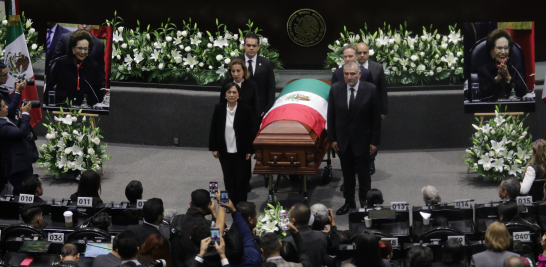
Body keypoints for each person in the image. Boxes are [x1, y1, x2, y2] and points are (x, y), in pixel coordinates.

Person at [327, 62, 381, 214]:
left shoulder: (371, 90)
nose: (349, 77)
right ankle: (349, 202)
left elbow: (376, 120)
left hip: (363, 142)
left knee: (364, 177)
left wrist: (374, 142)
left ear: (359, 74)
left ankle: (365, 205)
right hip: (343, 142)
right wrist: (333, 139)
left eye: (352, 74)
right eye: (346, 74)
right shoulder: (335, 89)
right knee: (347, 176)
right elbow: (331, 116)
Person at [209, 82, 255, 205]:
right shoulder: (219, 108)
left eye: (234, 92)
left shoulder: (246, 109)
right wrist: (214, 148)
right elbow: (214, 128)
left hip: (241, 150)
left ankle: (242, 204)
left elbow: (251, 130)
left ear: (239, 94)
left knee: (241, 179)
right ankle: (230, 204)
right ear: (225, 94)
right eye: (229, 92)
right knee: (228, 177)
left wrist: (250, 150)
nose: (231, 95)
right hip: (225, 150)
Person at [220, 59, 260, 193]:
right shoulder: (227, 84)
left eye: (238, 71)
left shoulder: (252, 85)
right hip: (229, 127)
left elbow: (255, 108)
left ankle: (244, 184)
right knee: (229, 163)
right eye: (233, 71)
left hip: (246, 127)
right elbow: (221, 105)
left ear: (244, 71)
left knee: (244, 160)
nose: (236, 74)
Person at [48, 30, 103, 106]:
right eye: (80, 48)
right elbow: (49, 87)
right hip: (62, 106)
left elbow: (98, 92)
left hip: (86, 107)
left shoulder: (94, 66)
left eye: (86, 49)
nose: (83, 52)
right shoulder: (61, 63)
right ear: (73, 48)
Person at [356, 42, 388, 176]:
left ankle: (371, 160)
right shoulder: (349, 68)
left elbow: (382, 91)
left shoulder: (378, 68)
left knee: (372, 136)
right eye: (359, 53)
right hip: (355, 110)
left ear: (368, 53)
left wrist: (383, 110)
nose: (362, 55)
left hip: (373, 110)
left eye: (365, 53)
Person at [231, 32, 275, 117]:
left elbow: (271, 87)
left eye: (254, 46)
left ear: (258, 47)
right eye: (248, 45)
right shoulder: (235, 62)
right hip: (239, 106)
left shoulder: (266, 63)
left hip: (260, 109)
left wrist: (267, 108)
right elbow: (229, 84)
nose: (251, 48)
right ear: (243, 46)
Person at [0, 97, 38, 196]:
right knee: (23, 192)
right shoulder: (1, 125)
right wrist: (26, 114)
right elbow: (21, 132)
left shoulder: (4, 119)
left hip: (21, 163)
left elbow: (15, 131)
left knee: (25, 191)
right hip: (16, 167)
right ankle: (22, 210)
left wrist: (21, 117)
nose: (7, 107)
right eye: (4, 106)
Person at [170, 189, 217, 267]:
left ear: (190, 203)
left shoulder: (175, 220)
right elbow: (221, 238)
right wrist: (214, 214)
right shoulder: (209, 226)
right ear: (209, 205)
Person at [478, 29, 527, 101]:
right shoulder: (483, 71)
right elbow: (481, 97)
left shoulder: (515, 69)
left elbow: (523, 93)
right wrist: (496, 81)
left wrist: (509, 78)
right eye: (499, 48)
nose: (503, 52)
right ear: (492, 52)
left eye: (506, 48)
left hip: (514, 109)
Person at [223, 199, 261, 267]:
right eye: (255, 215)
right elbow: (247, 235)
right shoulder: (253, 258)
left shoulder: (230, 239)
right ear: (250, 220)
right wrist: (233, 211)